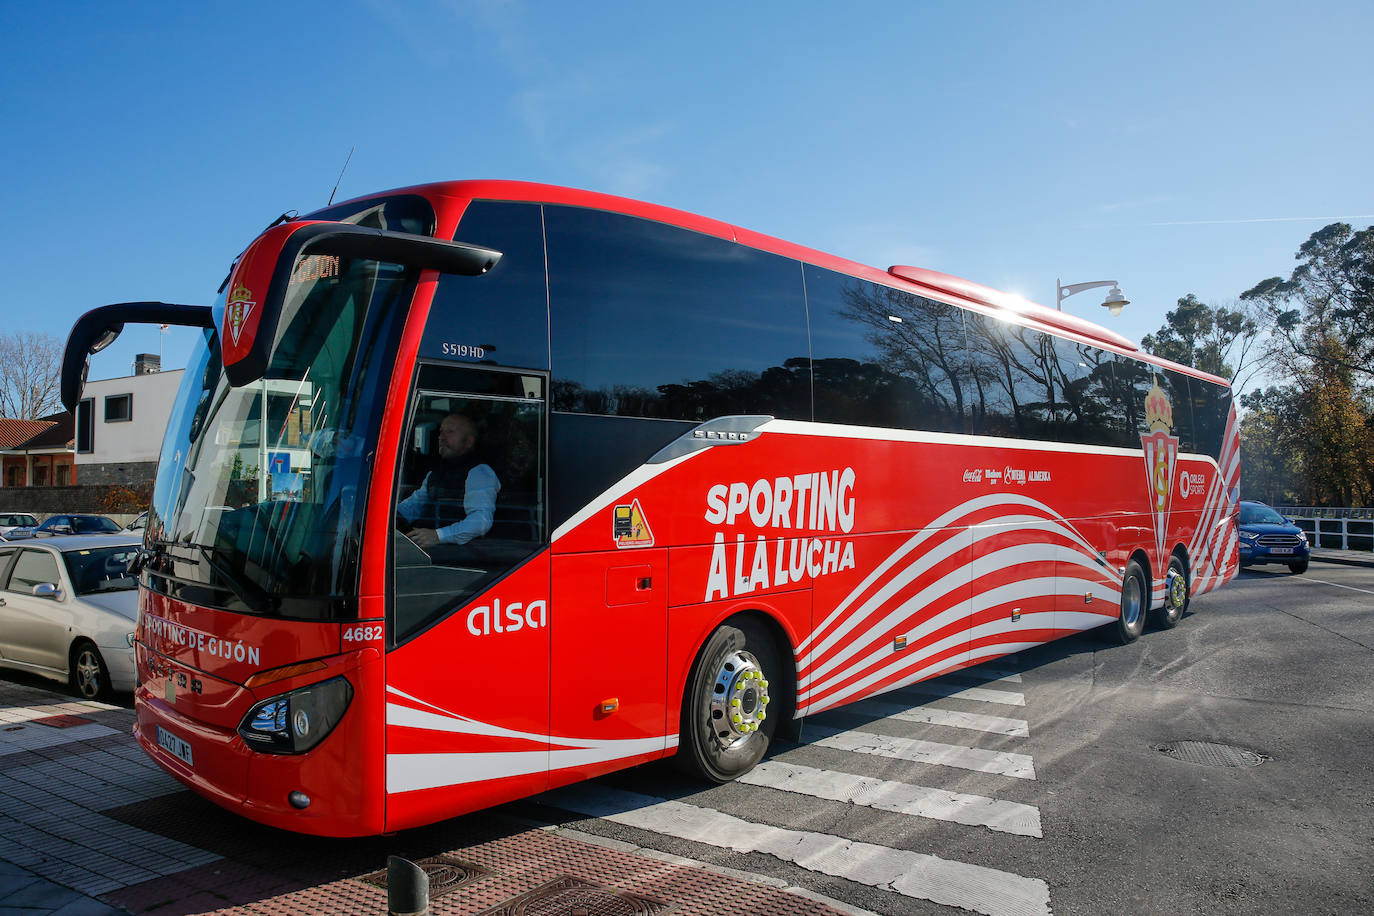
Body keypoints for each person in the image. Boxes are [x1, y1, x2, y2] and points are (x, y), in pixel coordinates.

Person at [396, 413, 501, 550]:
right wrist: (389, 517)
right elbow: (414, 505)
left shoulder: (479, 472)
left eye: (450, 432)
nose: (441, 438)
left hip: (463, 555)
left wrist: (437, 536)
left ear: (469, 442)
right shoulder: (436, 472)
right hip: (430, 549)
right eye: (441, 432)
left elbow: (480, 522)